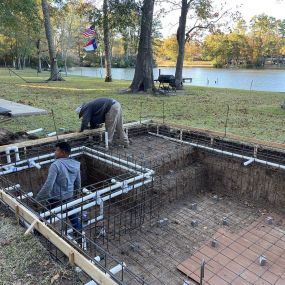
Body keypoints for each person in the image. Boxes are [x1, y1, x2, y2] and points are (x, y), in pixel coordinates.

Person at [35, 142, 82, 236]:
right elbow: (78, 182)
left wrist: (38, 199)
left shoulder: (55, 165)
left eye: (56, 150)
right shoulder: (76, 164)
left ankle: (37, 232)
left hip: (55, 198)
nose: (54, 152)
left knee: (45, 214)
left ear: (63, 152)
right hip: (69, 195)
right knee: (72, 214)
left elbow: (48, 185)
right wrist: (78, 192)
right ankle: (79, 232)